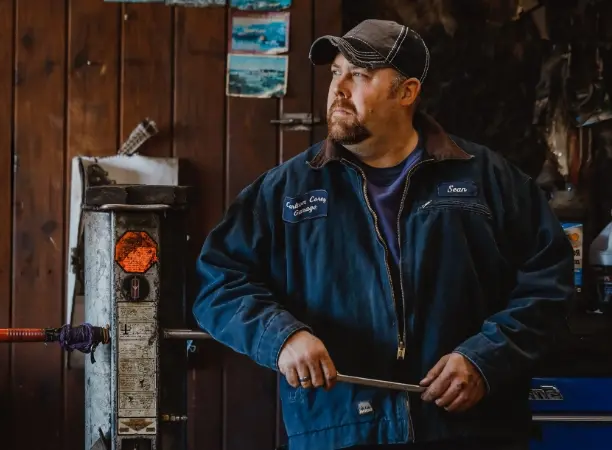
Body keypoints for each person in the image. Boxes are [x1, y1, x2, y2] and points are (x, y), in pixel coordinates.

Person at [192, 19, 574, 450]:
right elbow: (216, 283)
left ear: (406, 92)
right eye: (336, 72)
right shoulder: (286, 190)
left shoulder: (488, 179)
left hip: (471, 428)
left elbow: (550, 284)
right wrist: (281, 337)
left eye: (359, 75)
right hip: (340, 430)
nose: (339, 89)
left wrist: (486, 359)